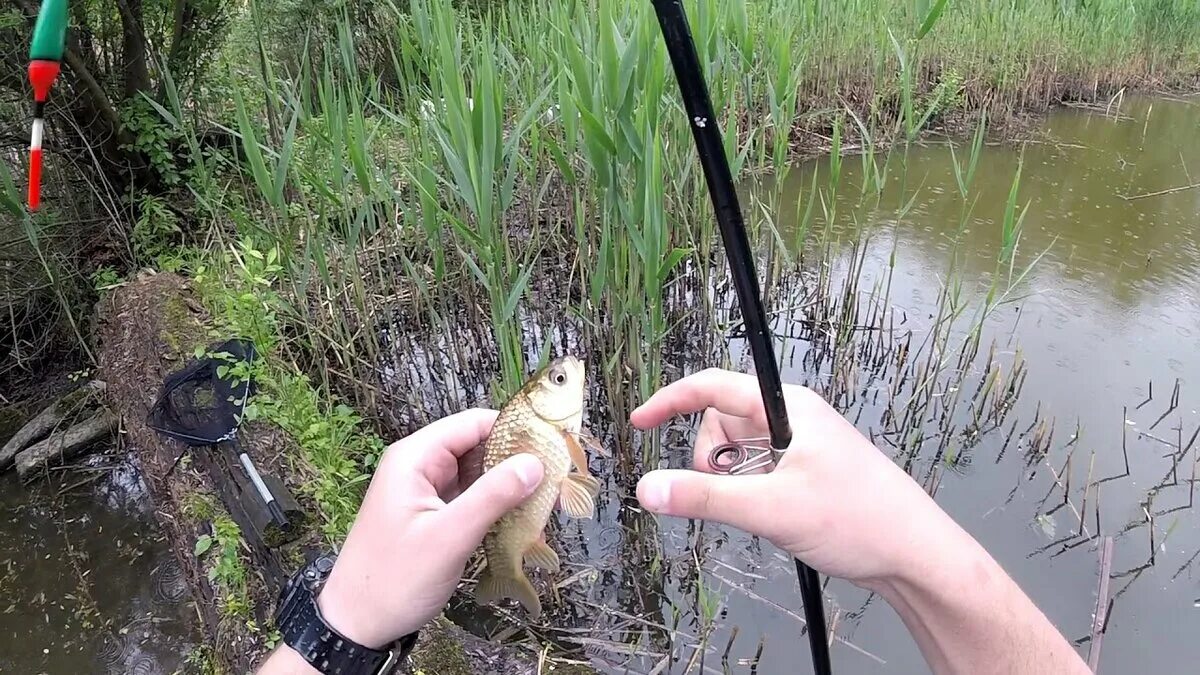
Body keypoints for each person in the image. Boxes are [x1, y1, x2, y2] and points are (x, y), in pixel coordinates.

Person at [258, 368, 1092, 674]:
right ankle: (514, 565)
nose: (567, 380)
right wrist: (914, 547)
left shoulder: (540, 436)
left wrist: (334, 631)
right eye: (554, 381)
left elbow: (571, 473)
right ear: (539, 405)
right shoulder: (532, 437)